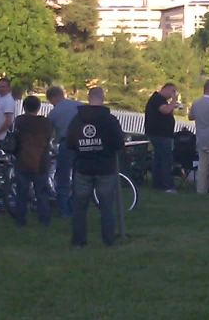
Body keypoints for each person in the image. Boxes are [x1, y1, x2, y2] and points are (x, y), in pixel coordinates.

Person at [66, 87, 125, 247]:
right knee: (106, 206)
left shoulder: (76, 120)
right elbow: (119, 143)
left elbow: (69, 142)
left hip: (83, 167)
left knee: (79, 206)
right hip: (105, 167)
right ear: (102, 98)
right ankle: (108, 240)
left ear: (88, 97)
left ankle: (78, 241)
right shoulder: (110, 120)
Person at [13, 95, 53, 227]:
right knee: (42, 193)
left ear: (24, 107)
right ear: (38, 107)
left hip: (22, 160)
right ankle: (44, 221)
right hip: (41, 161)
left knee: (21, 193)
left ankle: (20, 220)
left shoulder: (20, 121)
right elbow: (48, 139)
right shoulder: (45, 123)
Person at [46, 85, 81, 216]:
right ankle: (76, 206)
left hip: (66, 143)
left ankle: (63, 209)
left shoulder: (53, 113)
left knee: (63, 177)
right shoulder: (79, 105)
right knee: (79, 176)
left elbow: (48, 134)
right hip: (82, 143)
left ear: (53, 98)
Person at [144, 83, 178, 193]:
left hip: (160, 134)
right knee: (166, 159)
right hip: (160, 134)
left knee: (158, 159)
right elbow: (166, 110)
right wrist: (174, 101)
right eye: (173, 91)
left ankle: (157, 183)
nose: (173, 94)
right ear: (167, 89)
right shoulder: (157, 99)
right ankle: (166, 185)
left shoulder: (159, 100)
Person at [0, 78, 15, 144]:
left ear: (9, 88)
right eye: (0, 86)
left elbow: (8, 121)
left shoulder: (8, 100)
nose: (1, 89)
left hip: (1, 137)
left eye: (4, 87)